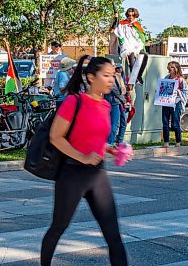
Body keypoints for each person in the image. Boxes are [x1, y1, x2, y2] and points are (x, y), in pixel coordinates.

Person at [41, 55, 128, 266]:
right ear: (91, 77)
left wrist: (111, 150)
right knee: (58, 227)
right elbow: (56, 137)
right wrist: (82, 157)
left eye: (112, 76)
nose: (111, 80)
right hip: (72, 174)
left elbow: (92, 138)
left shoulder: (106, 105)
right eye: (106, 76)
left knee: (113, 234)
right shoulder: (74, 101)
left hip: (98, 175)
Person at [113, 8, 148, 86]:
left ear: (135, 15)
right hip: (127, 45)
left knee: (144, 55)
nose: (130, 17)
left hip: (136, 45)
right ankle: (133, 78)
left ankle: (138, 75)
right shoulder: (122, 24)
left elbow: (141, 36)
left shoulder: (137, 24)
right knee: (131, 56)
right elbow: (116, 30)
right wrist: (116, 19)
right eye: (129, 15)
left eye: (132, 15)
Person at [161, 61, 188, 148]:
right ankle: (166, 142)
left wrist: (178, 92)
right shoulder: (166, 78)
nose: (170, 69)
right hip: (166, 102)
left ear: (176, 69)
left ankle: (178, 141)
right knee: (165, 123)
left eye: (172, 67)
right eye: (169, 67)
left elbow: (186, 91)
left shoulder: (180, 80)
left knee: (175, 123)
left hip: (176, 103)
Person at [105, 63, 129, 146]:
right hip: (114, 102)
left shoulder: (121, 77)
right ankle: (110, 142)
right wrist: (124, 101)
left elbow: (124, 89)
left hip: (121, 102)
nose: (118, 70)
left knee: (124, 122)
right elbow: (115, 91)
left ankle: (120, 140)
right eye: (116, 68)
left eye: (120, 68)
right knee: (115, 123)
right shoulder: (110, 78)